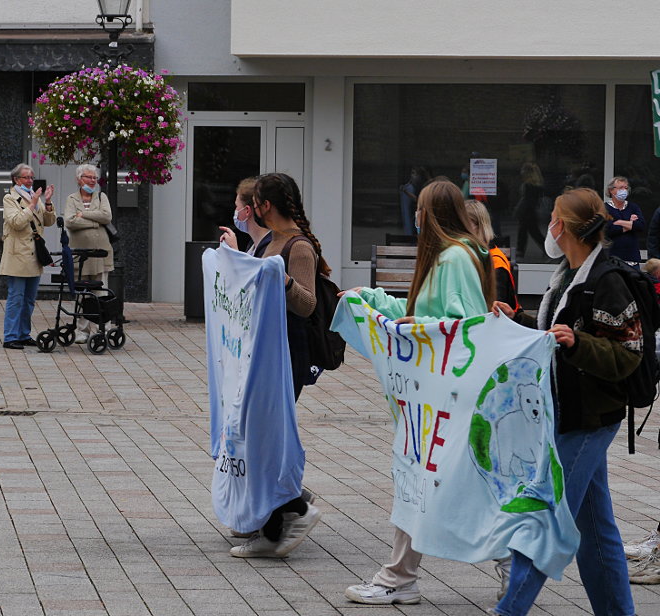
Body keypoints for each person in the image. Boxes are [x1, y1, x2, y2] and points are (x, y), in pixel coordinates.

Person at [343, 179, 495, 605]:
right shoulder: (449, 258)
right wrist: (370, 300)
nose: (415, 216)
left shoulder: (453, 260)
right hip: (438, 398)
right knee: (435, 481)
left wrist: (413, 327)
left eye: (420, 209)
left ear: (430, 215)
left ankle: (399, 577)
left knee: (421, 479)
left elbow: (463, 327)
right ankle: (512, 565)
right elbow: (423, 315)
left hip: (443, 398)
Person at [489, 187, 640, 616]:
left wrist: (578, 343)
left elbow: (628, 353)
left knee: (544, 518)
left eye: (553, 216)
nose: (547, 223)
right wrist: (516, 319)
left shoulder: (606, 280)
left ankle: (510, 609)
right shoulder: (565, 277)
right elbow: (553, 338)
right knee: (595, 528)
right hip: (566, 412)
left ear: (567, 227)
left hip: (590, 417)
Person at [228, 173, 323, 558]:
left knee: (262, 441)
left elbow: (307, 304)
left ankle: (293, 510)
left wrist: (282, 281)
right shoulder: (269, 240)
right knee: (257, 440)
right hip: (263, 353)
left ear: (265, 206)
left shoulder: (297, 247)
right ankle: (280, 511)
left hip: (286, 355)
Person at [0, 164, 56, 349]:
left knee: (29, 299)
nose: (30, 180)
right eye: (26, 178)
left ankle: (23, 334)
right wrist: (32, 204)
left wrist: (47, 202)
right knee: (16, 298)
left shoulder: (34, 197)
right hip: (18, 255)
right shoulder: (10, 198)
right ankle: (10, 337)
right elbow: (16, 222)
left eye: (31, 177)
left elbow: (48, 222)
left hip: (34, 255)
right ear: (16, 180)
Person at [64, 164, 115, 344]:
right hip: (80, 255)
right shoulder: (72, 199)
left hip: (101, 254)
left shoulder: (102, 197)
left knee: (100, 292)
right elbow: (70, 222)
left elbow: (107, 217)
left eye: (94, 178)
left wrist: (83, 214)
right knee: (83, 294)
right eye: (89, 177)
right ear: (79, 179)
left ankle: (103, 328)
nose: (93, 181)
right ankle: (82, 330)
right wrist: (95, 221)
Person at [466, 199, 520, 311]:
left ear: (479, 225)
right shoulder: (472, 253)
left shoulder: (496, 262)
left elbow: (496, 309)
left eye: (465, 223)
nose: (460, 228)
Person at [218, 177, 271, 257]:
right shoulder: (253, 244)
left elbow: (252, 269)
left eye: (237, 206)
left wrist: (234, 252)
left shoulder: (269, 248)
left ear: (247, 210)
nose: (235, 210)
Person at [604, 175, 645, 269]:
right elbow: (608, 230)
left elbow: (641, 226)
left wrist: (619, 222)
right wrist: (630, 224)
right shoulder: (605, 208)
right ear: (611, 190)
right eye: (621, 188)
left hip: (632, 259)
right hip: (613, 259)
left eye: (626, 188)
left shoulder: (633, 207)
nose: (624, 190)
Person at [515, 162, 546, 259]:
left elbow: (526, 201)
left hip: (526, 212)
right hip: (531, 211)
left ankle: (521, 250)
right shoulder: (538, 186)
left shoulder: (528, 186)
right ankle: (521, 250)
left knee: (528, 232)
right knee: (531, 232)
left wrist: (519, 210)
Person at [400, 166, 431, 236]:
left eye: (414, 173)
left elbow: (417, 199)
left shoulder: (423, 185)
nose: (412, 175)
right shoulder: (414, 186)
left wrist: (406, 192)